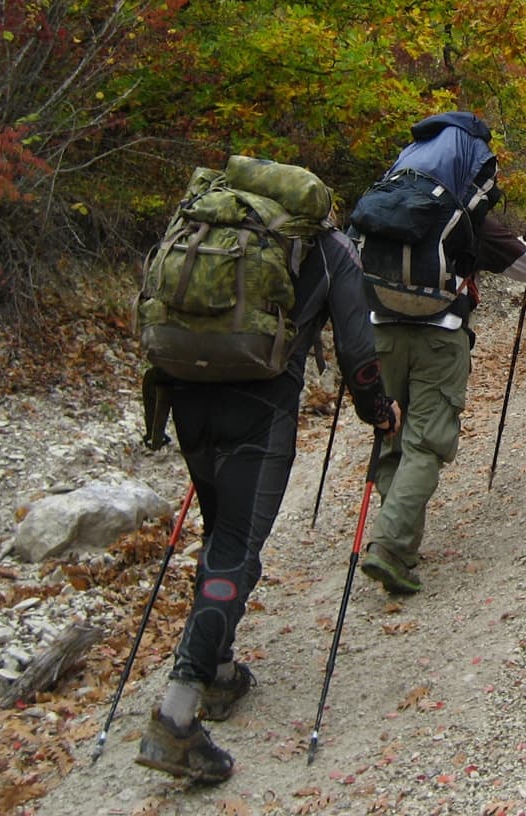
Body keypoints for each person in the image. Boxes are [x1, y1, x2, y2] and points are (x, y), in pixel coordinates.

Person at [136, 225, 401, 784]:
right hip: (260, 406)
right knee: (236, 546)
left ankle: (219, 669)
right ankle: (176, 716)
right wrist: (377, 409)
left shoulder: (206, 227)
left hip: (185, 391)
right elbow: (357, 350)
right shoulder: (327, 247)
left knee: (220, 536)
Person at [360, 213, 526, 596]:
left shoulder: (383, 210)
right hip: (440, 336)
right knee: (427, 443)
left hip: (381, 332)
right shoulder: (465, 216)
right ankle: (390, 545)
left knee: (391, 433)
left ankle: (401, 543)